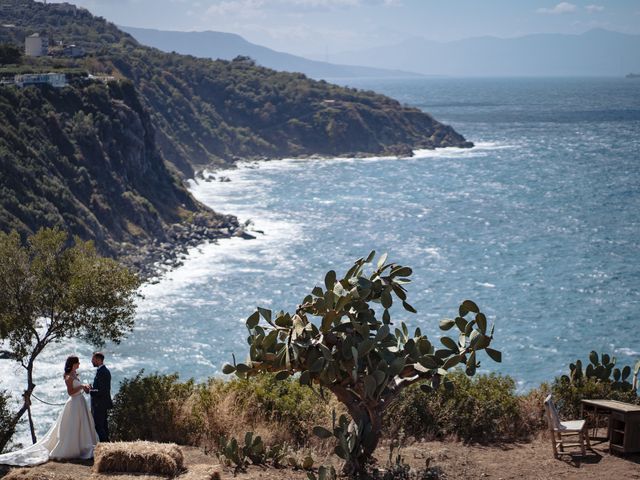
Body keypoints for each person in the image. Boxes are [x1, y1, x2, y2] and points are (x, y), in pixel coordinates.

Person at [0, 356, 98, 466]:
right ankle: (71, 448)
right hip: (74, 403)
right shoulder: (68, 376)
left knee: (82, 425)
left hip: (80, 401)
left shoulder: (75, 374)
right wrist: (81, 387)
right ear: (73, 364)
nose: (79, 364)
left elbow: (77, 389)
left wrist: (84, 387)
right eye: (77, 363)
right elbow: (70, 392)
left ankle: (83, 447)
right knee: (73, 426)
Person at [89, 352, 113, 442]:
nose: (92, 361)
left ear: (98, 360)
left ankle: (105, 445)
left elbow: (103, 391)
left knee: (99, 426)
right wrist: (93, 388)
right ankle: (107, 445)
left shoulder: (103, 372)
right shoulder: (101, 371)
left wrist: (90, 391)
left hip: (100, 404)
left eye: (93, 359)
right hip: (101, 403)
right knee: (103, 426)